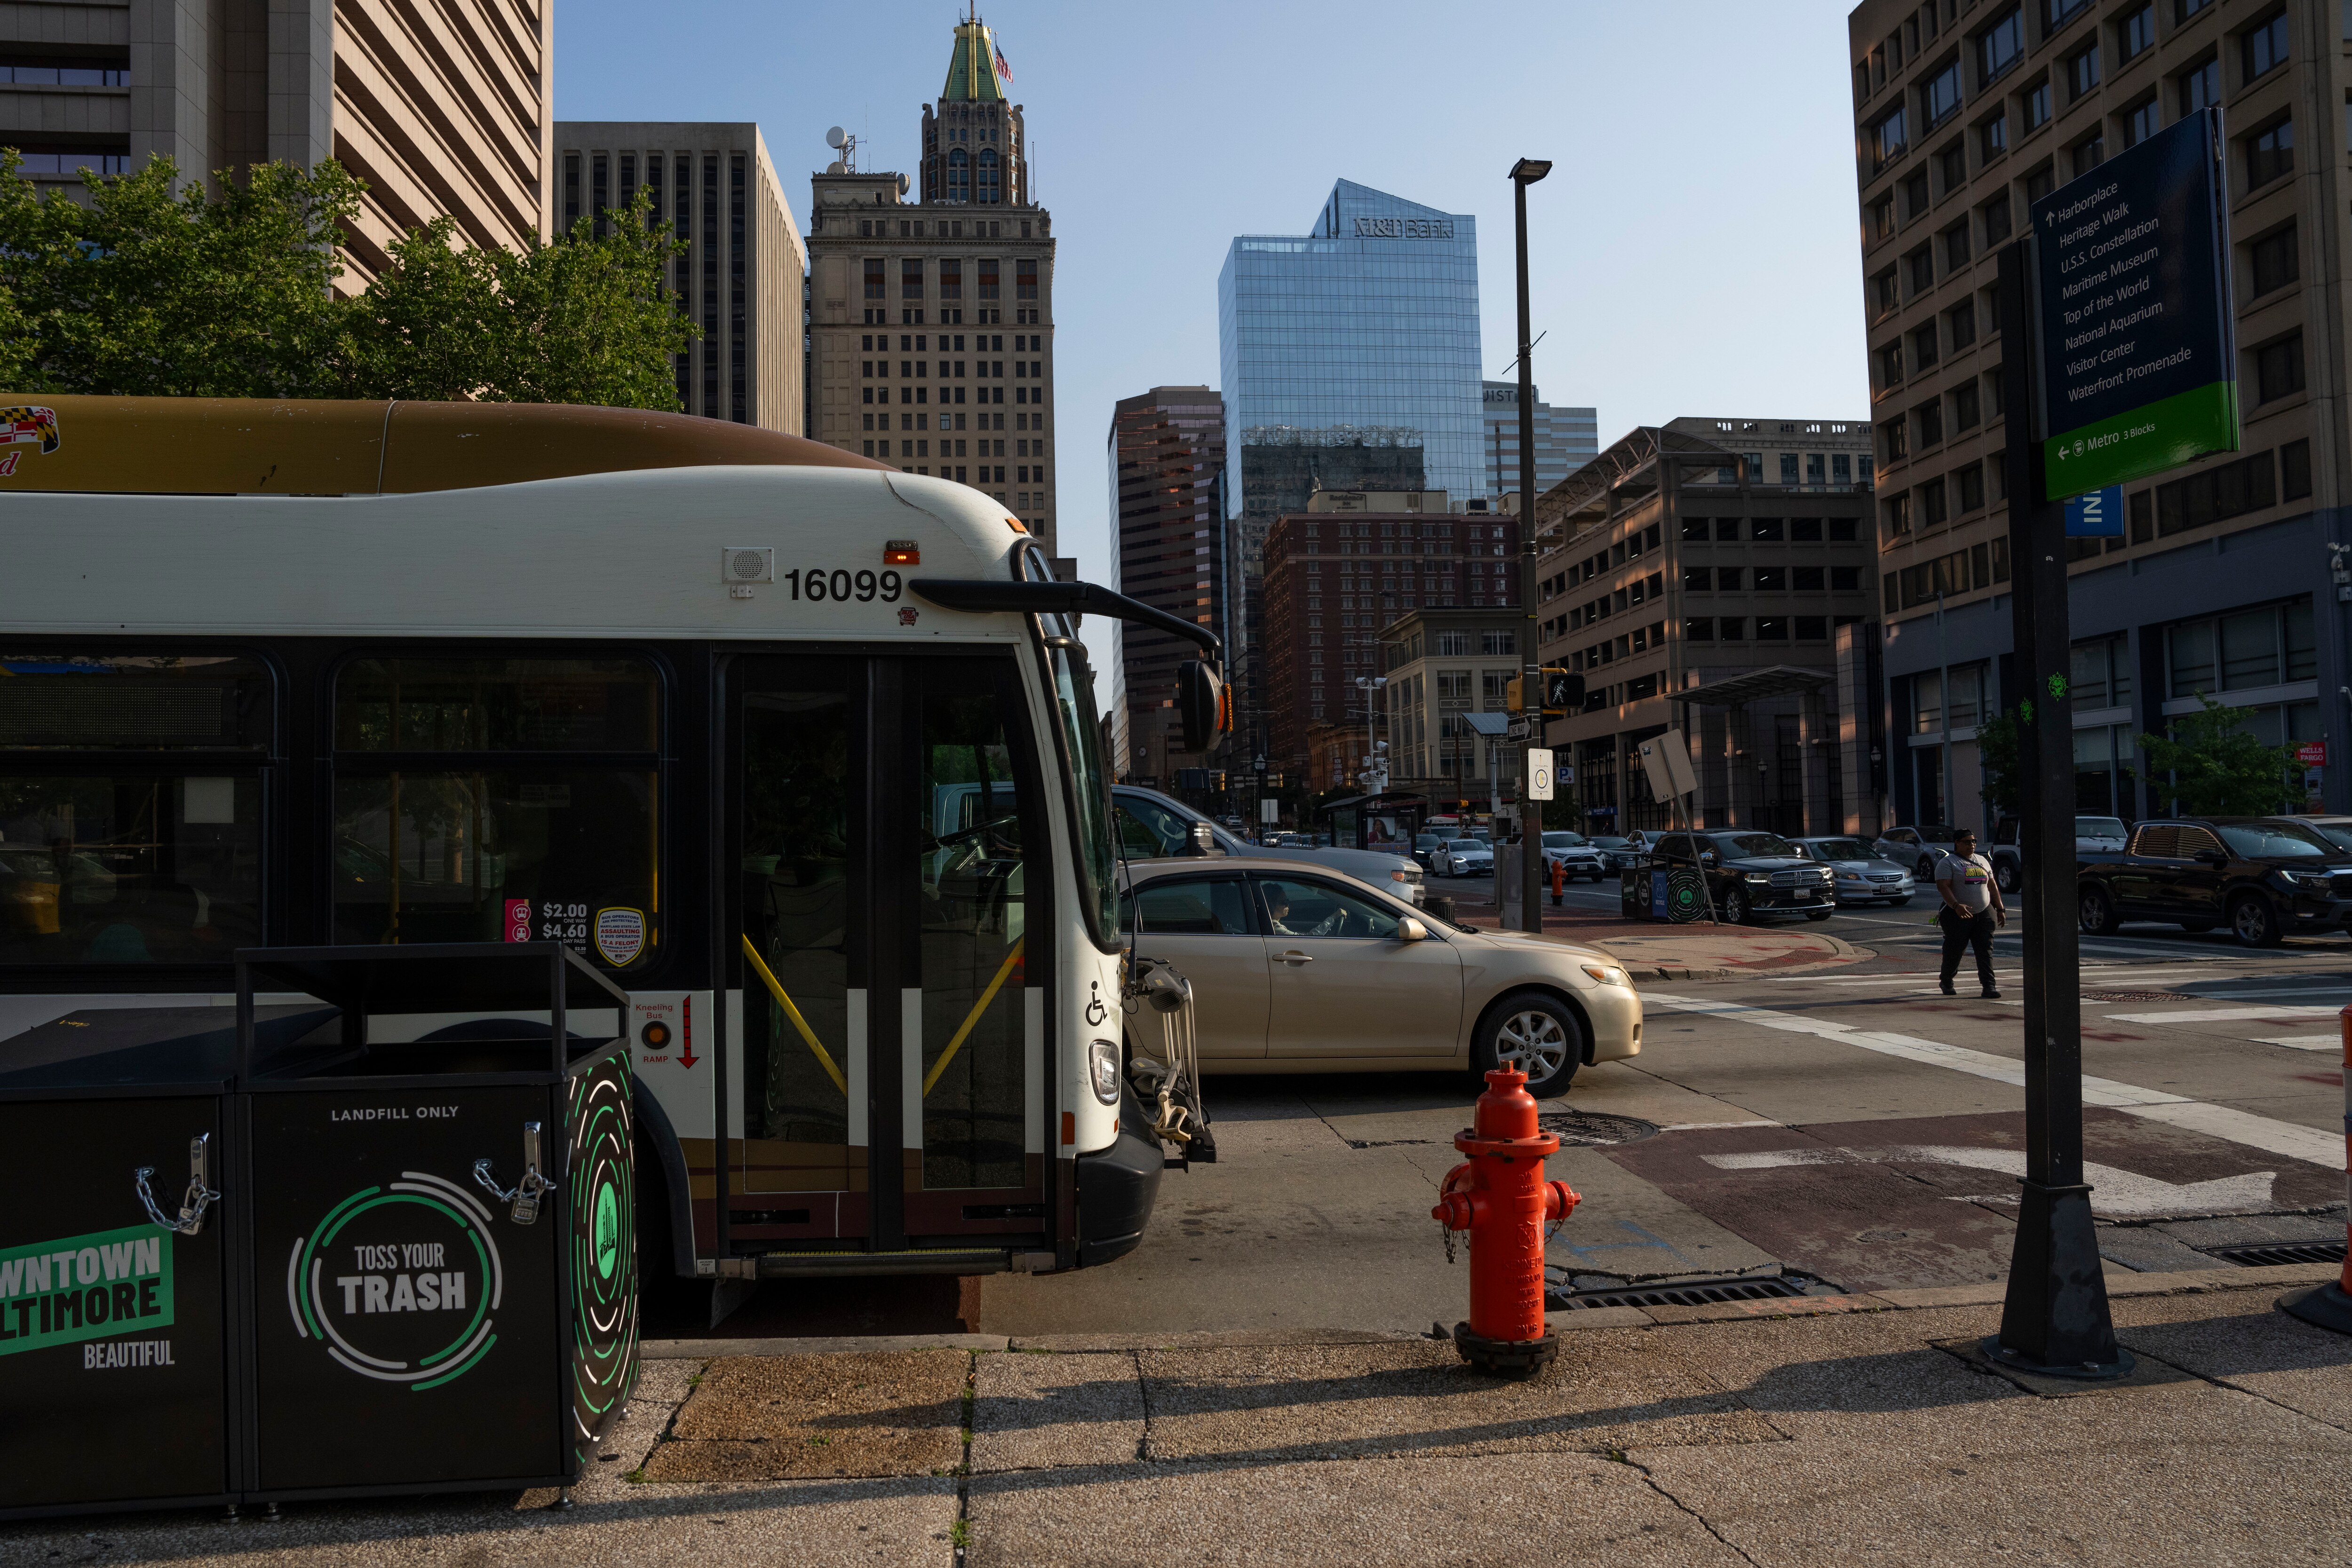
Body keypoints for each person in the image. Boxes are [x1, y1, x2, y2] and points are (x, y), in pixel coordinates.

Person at [1935, 828, 2004, 998]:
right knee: (1955, 950)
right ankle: (1947, 980)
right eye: (1967, 842)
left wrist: (2000, 908)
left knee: (1985, 950)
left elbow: (1992, 885)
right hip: (1957, 914)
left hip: (1984, 912)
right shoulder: (1948, 863)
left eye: (1974, 841)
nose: (1972, 845)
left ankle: (1989, 986)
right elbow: (1943, 886)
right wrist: (1956, 905)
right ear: (1957, 843)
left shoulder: (1982, 860)